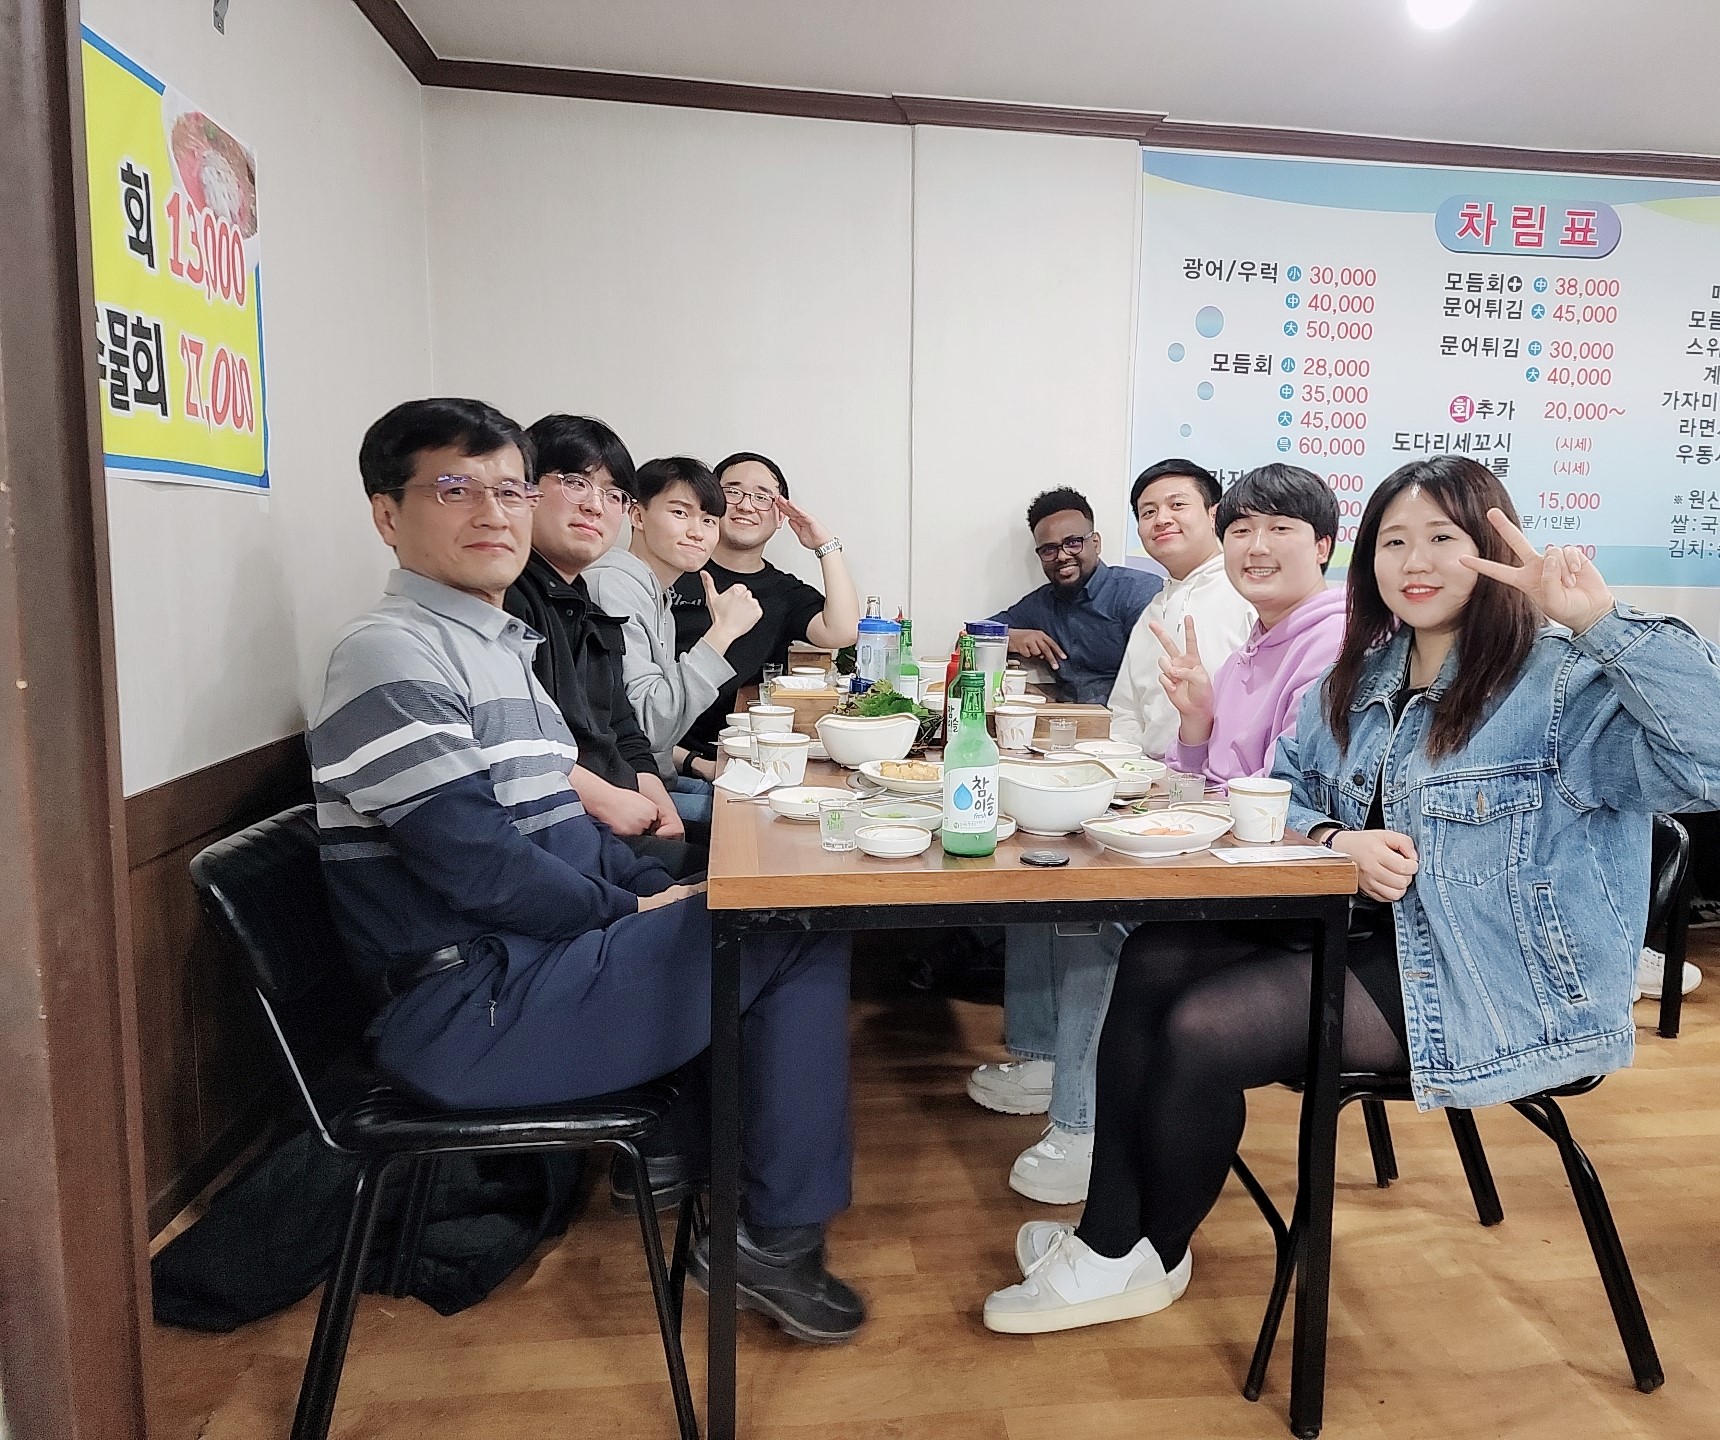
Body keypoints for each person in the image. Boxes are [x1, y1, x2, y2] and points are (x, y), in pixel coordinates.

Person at [983, 454, 1720, 1335]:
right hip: (1367, 930)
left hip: (1491, 977)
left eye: (1443, 538)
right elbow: (1284, 789)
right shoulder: (1366, 672)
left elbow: (1706, 762)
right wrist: (1338, 840)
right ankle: (1112, 1242)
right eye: (1394, 542)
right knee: (1152, 956)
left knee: (1202, 1027)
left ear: (1492, 548)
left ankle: (1144, 1253)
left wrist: (1599, 621)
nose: (1416, 562)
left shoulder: (1560, 683)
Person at [308, 398, 863, 1342]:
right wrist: (637, 911)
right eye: (455, 489)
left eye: (510, 489)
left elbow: (566, 833)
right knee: (789, 926)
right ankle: (769, 1239)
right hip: (467, 1008)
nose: (493, 512)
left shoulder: (499, 651)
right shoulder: (388, 652)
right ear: (387, 514)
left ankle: (722, 1185)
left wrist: (659, 892)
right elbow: (480, 867)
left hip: (526, 966)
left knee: (770, 907)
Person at [969, 465, 1341, 1206]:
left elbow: (1284, 797)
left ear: (1324, 545)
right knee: (1043, 855)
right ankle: (1055, 1066)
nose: (1256, 547)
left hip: (1284, 879)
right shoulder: (1250, 634)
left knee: (1097, 912)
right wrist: (1195, 732)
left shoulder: (1322, 637)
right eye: (1244, 531)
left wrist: (1176, 772)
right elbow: (1201, 760)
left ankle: (1084, 1125)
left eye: (1279, 530)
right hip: (1210, 828)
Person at [502, 415, 703, 879]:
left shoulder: (585, 604)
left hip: (620, 814)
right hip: (560, 835)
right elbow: (505, 740)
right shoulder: (507, 598)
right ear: (526, 489)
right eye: (576, 482)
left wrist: (651, 788)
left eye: (614, 495)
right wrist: (607, 798)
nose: (595, 506)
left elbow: (621, 722)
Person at [585, 458, 763, 822]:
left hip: (658, 776)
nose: (698, 532)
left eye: (709, 520)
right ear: (637, 515)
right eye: (680, 513)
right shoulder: (612, 588)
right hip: (622, 793)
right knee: (755, 820)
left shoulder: (657, 594)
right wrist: (722, 633)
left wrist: (694, 763)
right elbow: (649, 727)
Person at [672, 452, 860, 763]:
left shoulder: (783, 592)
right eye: (733, 492)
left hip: (745, 757)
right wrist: (692, 763)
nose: (746, 506)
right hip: (669, 758)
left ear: (780, 515)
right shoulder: (674, 570)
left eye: (762, 497)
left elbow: (843, 631)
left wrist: (825, 546)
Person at [1108, 460, 1256, 755]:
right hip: (1149, 776)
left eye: (1177, 505)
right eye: (1148, 512)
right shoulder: (1153, 611)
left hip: (1224, 776)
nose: (1161, 519)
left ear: (1214, 515)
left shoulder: (1249, 595)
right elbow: (1125, 712)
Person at [984, 487, 1163, 704]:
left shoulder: (1137, 592)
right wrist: (1009, 637)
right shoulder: (1041, 605)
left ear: (1095, 543)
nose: (1061, 556)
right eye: (1049, 549)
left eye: (1073, 543)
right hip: (1065, 719)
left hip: (1126, 720)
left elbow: (1158, 682)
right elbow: (966, 640)